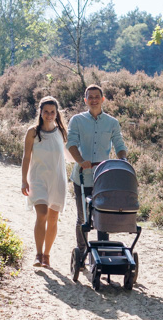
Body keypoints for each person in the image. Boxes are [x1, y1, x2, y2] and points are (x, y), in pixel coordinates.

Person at [66, 84, 127, 257]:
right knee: (83, 218)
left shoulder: (112, 122)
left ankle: (102, 252)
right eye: (90, 97)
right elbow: (71, 143)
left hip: (102, 178)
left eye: (96, 97)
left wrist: (122, 160)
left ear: (102, 99)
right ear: (85, 100)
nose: (93, 100)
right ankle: (82, 251)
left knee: (103, 217)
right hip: (82, 176)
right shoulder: (77, 120)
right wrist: (81, 161)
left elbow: (119, 144)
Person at [21, 96, 68, 267]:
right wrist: (23, 180)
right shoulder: (32, 132)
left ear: (56, 113)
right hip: (38, 179)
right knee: (41, 214)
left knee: (53, 219)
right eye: (46, 112)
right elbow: (26, 157)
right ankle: (38, 254)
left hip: (57, 180)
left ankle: (47, 256)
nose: (49, 115)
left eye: (52, 112)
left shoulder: (61, 132)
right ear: (40, 112)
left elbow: (69, 155)